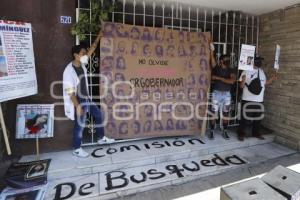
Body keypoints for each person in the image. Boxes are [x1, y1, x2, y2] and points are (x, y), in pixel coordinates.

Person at [63, 30, 115, 158]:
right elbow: (69, 91)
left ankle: (100, 137)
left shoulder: (82, 63)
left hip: (86, 98)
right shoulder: (69, 71)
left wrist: (98, 36)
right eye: (82, 53)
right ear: (76, 55)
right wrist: (78, 106)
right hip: (79, 99)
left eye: (85, 53)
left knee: (98, 114)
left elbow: (91, 49)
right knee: (80, 125)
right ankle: (76, 148)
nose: (85, 55)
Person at [237, 56, 278, 141]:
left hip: (259, 100)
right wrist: (243, 79)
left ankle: (256, 133)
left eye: (260, 61)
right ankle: (241, 134)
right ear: (253, 62)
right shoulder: (246, 71)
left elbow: (264, 84)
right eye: (258, 61)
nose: (260, 62)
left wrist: (272, 79)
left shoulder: (261, 72)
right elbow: (241, 86)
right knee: (244, 118)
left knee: (258, 119)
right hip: (247, 99)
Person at [209, 39, 236, 140]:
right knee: (213, 113)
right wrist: (211, 48)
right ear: (221, 60)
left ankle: (224, 130)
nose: (228, 61)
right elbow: (211, 57)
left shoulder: (231, 69)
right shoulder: (216, 67)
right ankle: (212, 130)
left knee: (225, 114)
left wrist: (218, 78)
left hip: (226, 95)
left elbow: (232, 81)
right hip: (216, 94)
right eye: (226, 59)